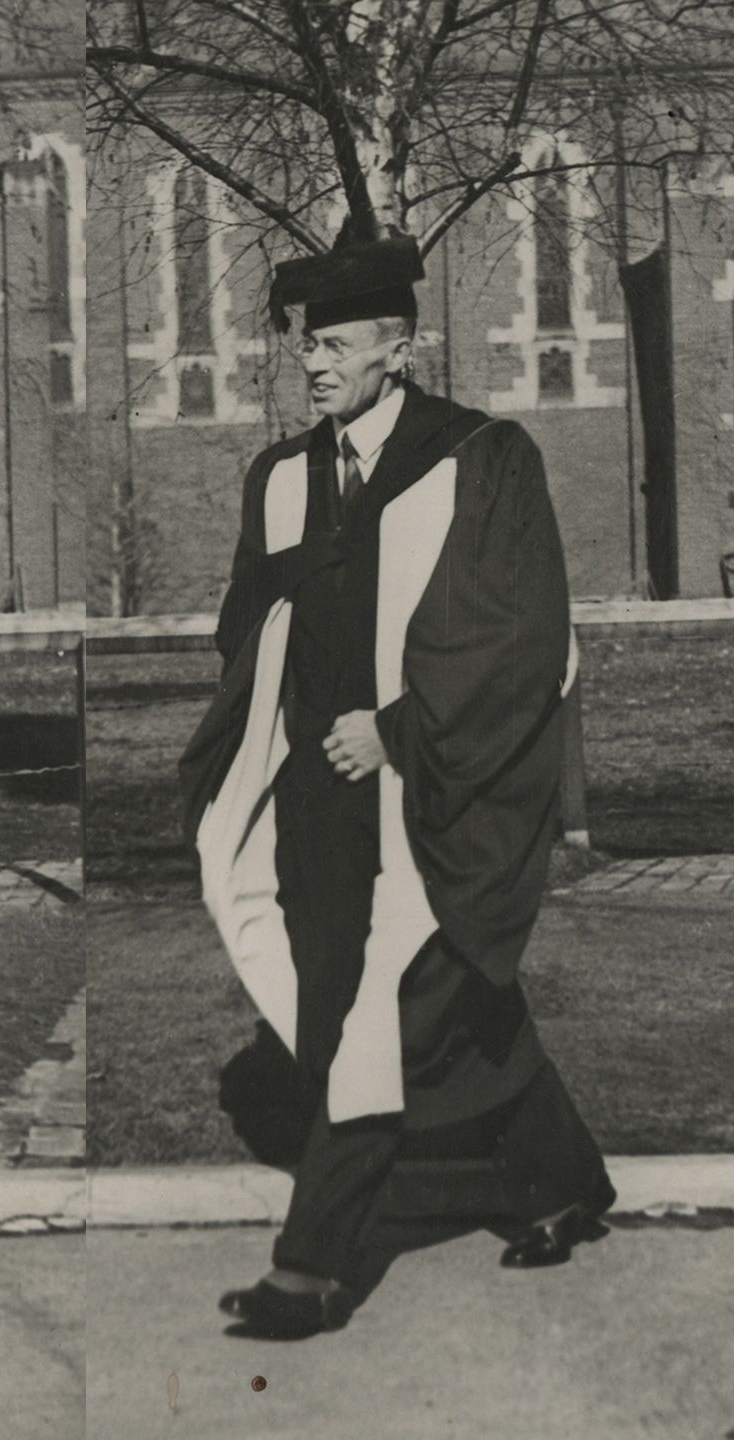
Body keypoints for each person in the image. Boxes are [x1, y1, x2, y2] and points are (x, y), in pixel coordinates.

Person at [179, 228, 613, 1339]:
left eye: (333, 344)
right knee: (419, 998)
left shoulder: (480, 459)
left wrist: (398, 730)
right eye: (303, 346)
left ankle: (311, 1269)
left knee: (374, 1013)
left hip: (426, 790)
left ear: (397, 347)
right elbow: (246, 633)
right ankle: (562, 1182)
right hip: (314, 804)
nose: (311, 364)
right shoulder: (277, 480)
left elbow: (522, 644)